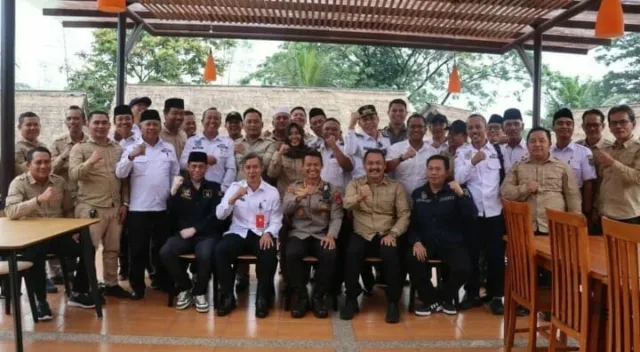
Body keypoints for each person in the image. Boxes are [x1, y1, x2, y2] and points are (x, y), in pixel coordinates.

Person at [5, 147, 95, 320]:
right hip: (32, 238)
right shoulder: (19, 182)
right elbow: (10, 211)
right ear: (28, 165)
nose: (43, 166)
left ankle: (78, 292)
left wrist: (73, 230)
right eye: (38, 162)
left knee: (87, 246)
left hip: (56, 236)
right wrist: (38, 200)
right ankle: (41, 302)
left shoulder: (59, 182)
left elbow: (68, 209)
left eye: (47, 162)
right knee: (35, 255)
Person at [115, 109, 180, 299]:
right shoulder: (130, 147)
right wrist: (131, 156)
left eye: (155, 124)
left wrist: (172, 195)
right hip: (138, 209)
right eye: (147, 124)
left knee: (161, 249)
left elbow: (174, 174)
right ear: (141, 127)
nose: (151, 127)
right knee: (138, 250)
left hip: (162, 207)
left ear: (160, 126)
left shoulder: (168, 147)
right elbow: (120, 173)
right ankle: (137, 286)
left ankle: (161, 281)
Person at [341, 149, 410, 324]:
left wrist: (393, 234)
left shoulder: (396, 186)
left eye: (378, 163)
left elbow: (404, 215)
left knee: (391, 254)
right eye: (370, 163)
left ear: (384, 165)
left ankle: (393, 302)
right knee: (351, 253)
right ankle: (351, 298)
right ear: (364, 166)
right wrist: (360, 196)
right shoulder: (355, 184)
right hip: (361, 233)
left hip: (386, 233)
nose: (374, 167)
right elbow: (346, 204)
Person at [69, 110, 131, 299]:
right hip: (91, 207)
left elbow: (124, 179)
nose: (101, 126)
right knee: (89, 249)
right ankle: (84, 289)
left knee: (113, 249)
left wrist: (125, 203)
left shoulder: (118, 149)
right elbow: (74, 174)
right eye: (97, 122)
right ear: (88, 124)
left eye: (104, 122)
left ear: (109, 125)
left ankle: (111, 284)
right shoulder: (80, 148)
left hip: (114, 207)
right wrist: (90, 161)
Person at [215, 153, 282, 318]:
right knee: (221, 251)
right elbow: (219, 215)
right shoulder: (235, 187)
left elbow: (276, 220)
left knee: (269, 253)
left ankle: (262, 298)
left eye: (255, 167)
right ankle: (227, 297)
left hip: (261, 233)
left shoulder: (271, 192)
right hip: (238, 231)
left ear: (261, 169)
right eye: (248, 168)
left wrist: (268, 233)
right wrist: (234, 198)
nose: (252, 171)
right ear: (243, 170)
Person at [408, 155, 476, 316]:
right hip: (426, 242)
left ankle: (445, 297)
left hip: (451, 242)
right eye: (430, 169)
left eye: (438, 169)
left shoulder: (457, 191)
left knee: (464, 268)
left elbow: (471, 215)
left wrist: (461, 195)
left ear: (446, 172)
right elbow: (413, 223)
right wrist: (416, 241)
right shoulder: (418, 194)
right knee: (411, 262)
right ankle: (431, 300)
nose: (433, 173)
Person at [160, 151, 225, 313]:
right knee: (166, 251)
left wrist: (195, 229)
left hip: (206, 235)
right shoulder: (181, 187)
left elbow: (216, 217)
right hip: (184, 236)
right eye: (193, 166)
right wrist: (172, 194)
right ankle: (185, 288)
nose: (197, 170)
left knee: (205, 255)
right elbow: (171, 213)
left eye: (201, 166)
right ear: (188, 167)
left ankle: (199, 292)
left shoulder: (214, 188)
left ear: (206, 168)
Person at [455, 114, 505, 315]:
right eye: (470, 128)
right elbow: (458, 178)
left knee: (495, 257)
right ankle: (472, 293)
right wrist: (473, 162)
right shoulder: (462, 152)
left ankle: (496, 296)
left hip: (495, 212)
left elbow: (506, 178)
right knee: (472, 255)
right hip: (472, 213)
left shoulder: (497, 150)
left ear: (486, 129)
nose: (474, 131)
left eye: (478, 127)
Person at [283, 150, 342, 318]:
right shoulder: (293, 187)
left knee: (330, 254)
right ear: (302, 167)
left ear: (322, 167)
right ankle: (301, 297)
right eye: (308, 165)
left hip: (321, 234)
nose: (312, 168)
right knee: (292, 254)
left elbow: (337, 216)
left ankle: (318, 297)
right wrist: (300, 197)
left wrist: (331, 235)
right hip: (299, 233)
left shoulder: (331, 190)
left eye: (316, 165)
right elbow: (285, 209)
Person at [501, 127, 582, 234]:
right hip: (525, 227)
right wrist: (525, 188)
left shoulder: (563, 167)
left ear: (550, 144)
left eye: (542, 140)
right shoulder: (518, 167)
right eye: (532, 141)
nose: (537, 144)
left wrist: (574, 225)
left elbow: (573, 196)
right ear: (527, 145)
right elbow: (505, 192)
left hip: (555, 227)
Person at [48, 105, 89, 290]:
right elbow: (50, 169)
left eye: (77, 118)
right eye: (70, 118)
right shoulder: (57, 143)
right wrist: (66, 153)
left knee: (78, 236)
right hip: (62, 197)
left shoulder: (89, 142)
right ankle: (56, 274)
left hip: (83, 196)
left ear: (83, 121)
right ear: (66, 122)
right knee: (58, 233)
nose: (73, 122)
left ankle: (73, 273)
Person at [596, 105, 640, 224]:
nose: (618, 126)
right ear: (609, 127)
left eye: (623, 122)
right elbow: (602, 179)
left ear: (633, 124)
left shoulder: (638, 149)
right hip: (605, 213)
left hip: (629, 215)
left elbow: (637, 177)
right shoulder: (607, 149)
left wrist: (612, 162)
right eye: (614, 123)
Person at [551, 108, 597, 219]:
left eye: (568, 123)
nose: (564, 126)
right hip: (553, 203)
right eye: (560, 123)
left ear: (573, 127)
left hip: (576, 204)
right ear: (553, 127)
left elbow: (588, 183)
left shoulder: (584, 152)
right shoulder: (547, 152)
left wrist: (586, 211)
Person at [180, 108, 236, 191]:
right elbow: (182, 164)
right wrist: (204, 158)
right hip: (194, 190)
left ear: (220, 123)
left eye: (216, 118)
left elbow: (231, 168)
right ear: (202, 121)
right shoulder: (192, 141)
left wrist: (223, 188)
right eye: (209, 118)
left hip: (218, 189)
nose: (212, 121)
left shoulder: (228, 142)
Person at [576, 108, 613, 234]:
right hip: (580, 202)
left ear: (603, 126)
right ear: (583, 126)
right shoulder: (576, 148)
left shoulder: (611, 149)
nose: (592, 129)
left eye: (596, 125)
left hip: (603, 204)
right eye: (588, 125)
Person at [386, 113, 438, 196]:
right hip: (399, 199)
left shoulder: (433, 152)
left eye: (420, 126)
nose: (416, 129)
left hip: (424, 199)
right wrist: (401, 158)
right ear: (407, 129)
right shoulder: (396, 148)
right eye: (412, 126)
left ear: (425, 129)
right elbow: (385, 168)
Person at [345, 105, 391, 179]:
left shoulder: (386, 138)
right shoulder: (355, 139)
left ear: (378, 119)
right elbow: (349, 151)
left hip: (382, 182)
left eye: (372, 118)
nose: (369, 122)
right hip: (362, 181)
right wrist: (351, 125)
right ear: (359, 123)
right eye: (365, 120)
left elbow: (389, 159)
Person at [267, 123, 310, 196]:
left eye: (297, 133)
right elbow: (272, 174)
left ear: (302, 135)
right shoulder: (280, 153)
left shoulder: (309, 153)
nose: (294, 136)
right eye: (290, 134)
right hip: (285, 196)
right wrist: (279, 154)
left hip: (304, 196)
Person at [319, 118, 354, 191]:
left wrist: (334, 146)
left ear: (340, 133)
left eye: (334, 129)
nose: (330, 132)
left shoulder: (346, 149)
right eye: (327, 129)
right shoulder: (317, 150)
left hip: (339, 196)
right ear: (322, 132)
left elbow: (348, 167)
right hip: (320, 194)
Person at [15, 111, 47, 176]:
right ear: (19, 127)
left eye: (36, 124)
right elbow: (21, 171)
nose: (33, 128)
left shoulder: (43, 146)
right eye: (28, 125)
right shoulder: (17, 149)